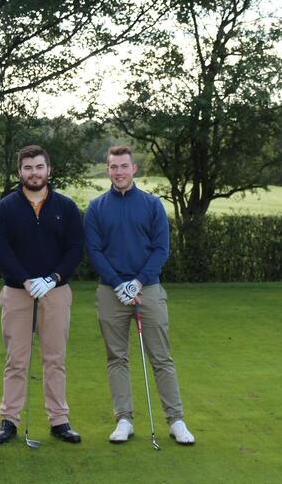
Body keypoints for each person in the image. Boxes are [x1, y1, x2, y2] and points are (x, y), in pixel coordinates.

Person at [84, 145, 195, 445]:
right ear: (107, 170)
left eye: (124, 166)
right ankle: (124, 419)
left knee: (161, 357)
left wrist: (138, 282)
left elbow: (161, 249)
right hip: (110, 292)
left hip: (149, 289)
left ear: (135, 169)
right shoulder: (96, 208)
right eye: (113, 166)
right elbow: (93, 251)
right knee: (116, 357)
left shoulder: (151, 205)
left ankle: (176, 421)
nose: (119, 171)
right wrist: (118, 283)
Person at [0, 145, 85, 445]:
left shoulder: (66, 208)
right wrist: (26, 280)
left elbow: (75, 249)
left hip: (56, 292)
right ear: (20, 172)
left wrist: (54, 278)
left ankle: (59, 420)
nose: (34, 173)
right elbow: (1, 251)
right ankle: (9, 420)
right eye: (28, 168)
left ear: (49, 170)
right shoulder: (5, 208)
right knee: (16, 359)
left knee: (54, 359)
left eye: (39, 167)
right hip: (18, 292)